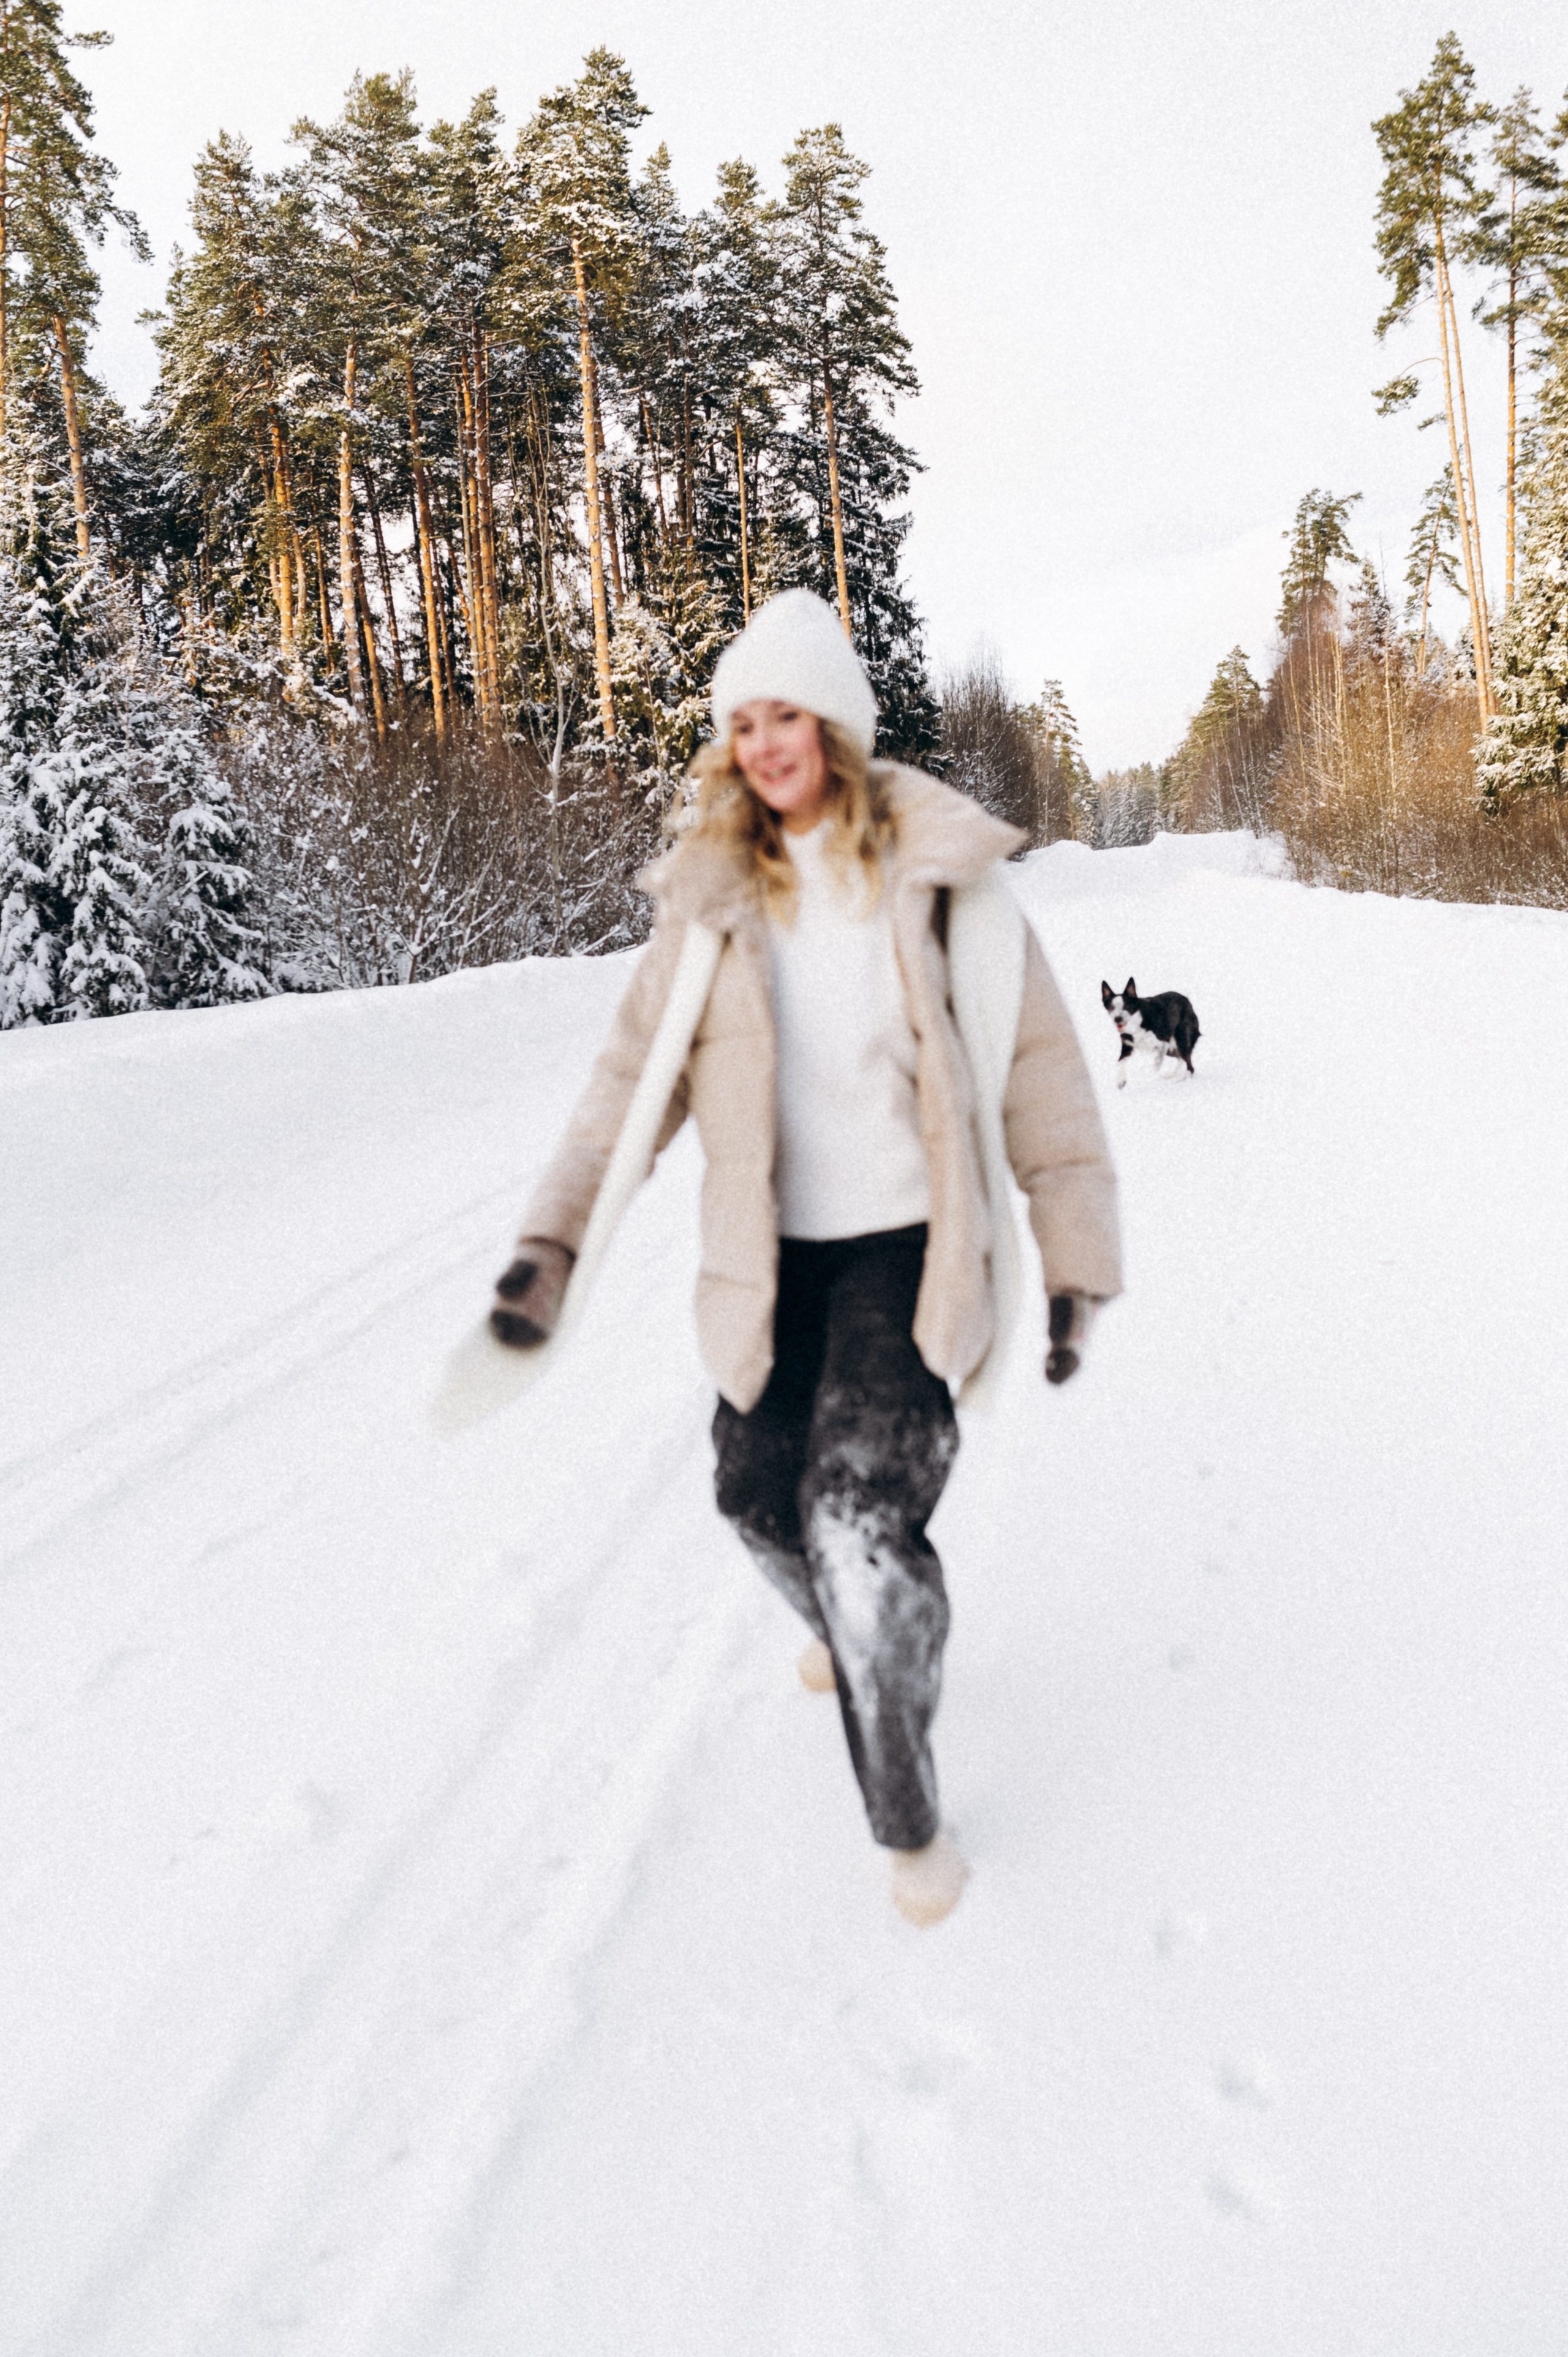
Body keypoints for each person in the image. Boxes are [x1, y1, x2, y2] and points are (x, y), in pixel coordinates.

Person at [488, 589, 1121, 1927]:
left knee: (855, 1518)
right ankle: (863, 1625)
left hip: (908, 1252)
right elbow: (625, 1087)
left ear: (835, 722)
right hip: (774, 1264)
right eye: (741, 721)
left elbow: (1043, 1079)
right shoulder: (712, 905)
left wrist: (1072, 1262)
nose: (764, 742)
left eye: (786, 713)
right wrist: (551, 1240)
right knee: (757, 1498)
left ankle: (909, 1822)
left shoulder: (942, 881)